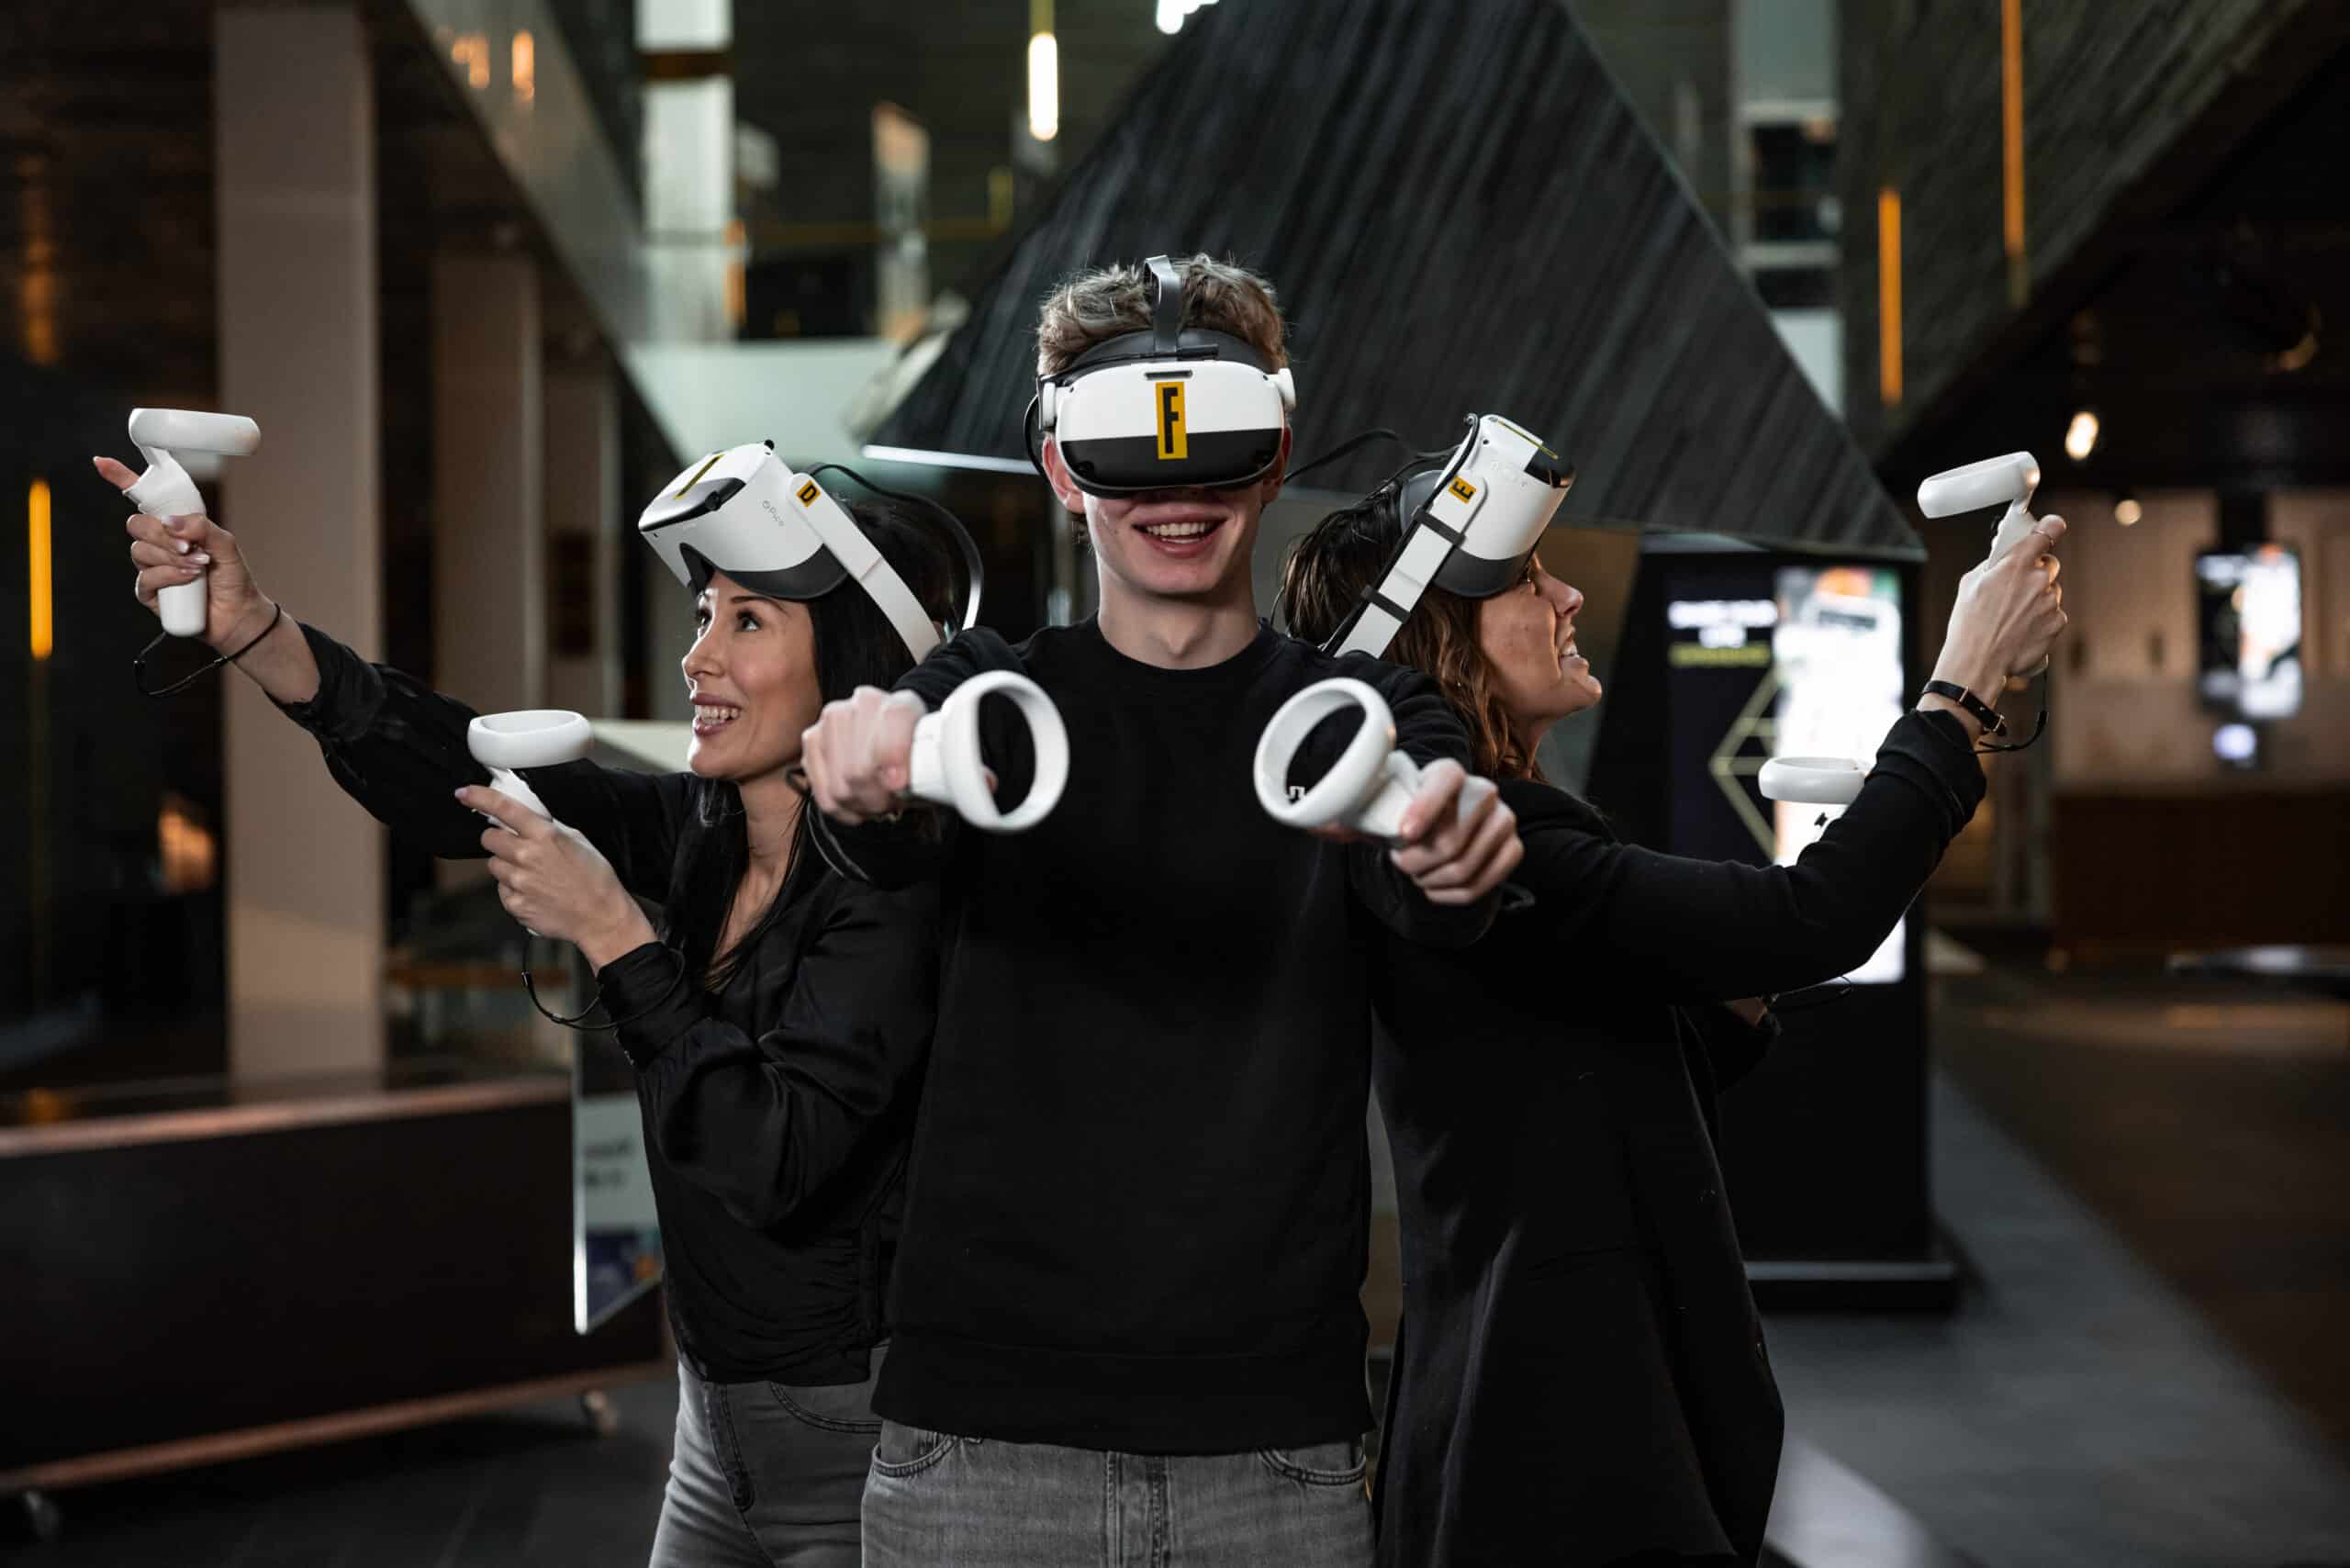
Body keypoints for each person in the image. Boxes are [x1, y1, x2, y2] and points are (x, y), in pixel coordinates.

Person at [793, 254, 1522, 1567]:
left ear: (1274, 450)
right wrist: (860, 773)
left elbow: (1440, 859)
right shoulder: (982, 697)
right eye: (1130, 458)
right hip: (976, 1450)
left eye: (1217, 454)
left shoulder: (1356, 717)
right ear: (1063, 468)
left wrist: (1454, 847)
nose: (1177, 499)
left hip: (1275, 1454)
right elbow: (884, 831)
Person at [101, 451, 957, 1568]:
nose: (697, 655)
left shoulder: (893, 893)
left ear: (847, 664)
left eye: (748, 623)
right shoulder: (700, 832)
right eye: (704, 613)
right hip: (711, 1426)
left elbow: (770, 1158)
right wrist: (259, 630)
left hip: (855, 1446)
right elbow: (462, 780)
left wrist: (612, 932)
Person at [1278, 484, 2068, 1566]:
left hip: (1554, 1404)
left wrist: (1727, 985)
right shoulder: (1489, 845)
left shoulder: (1505, 838)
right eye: (1522, 578)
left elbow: (1570, 1062)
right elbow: (1816, 916)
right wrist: (1964, 681)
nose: (1567, 592)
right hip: (1562, 1431)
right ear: (1434, 638)